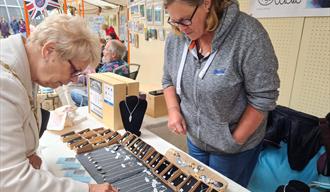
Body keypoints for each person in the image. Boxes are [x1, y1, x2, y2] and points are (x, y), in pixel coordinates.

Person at [162, 0, 280, 187]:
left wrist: (233, 142)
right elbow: (168, 79)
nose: (181, 28)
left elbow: (263, 99)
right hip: (195, 139)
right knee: (196, 186)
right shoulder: (176, 37)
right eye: (174, 21)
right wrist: (174, 110)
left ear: (206, 3)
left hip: (234, 147)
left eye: (185, 20)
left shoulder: (249, 36)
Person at [0, 14, 117, 192]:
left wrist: (26, 151)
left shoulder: (25, 69)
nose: (72, 80)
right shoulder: (4, 84)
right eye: (74, 70)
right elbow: (12, 180)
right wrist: (89, 190)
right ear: (49, 51)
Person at [71, 39, 128, 107]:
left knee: (74, 92)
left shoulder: (109, 69)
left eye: (106, 49)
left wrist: (79, 79)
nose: (103, 52)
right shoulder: (124, 64)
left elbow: (95, 85)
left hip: (102, 102)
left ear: (113, 54)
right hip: (118, 99)